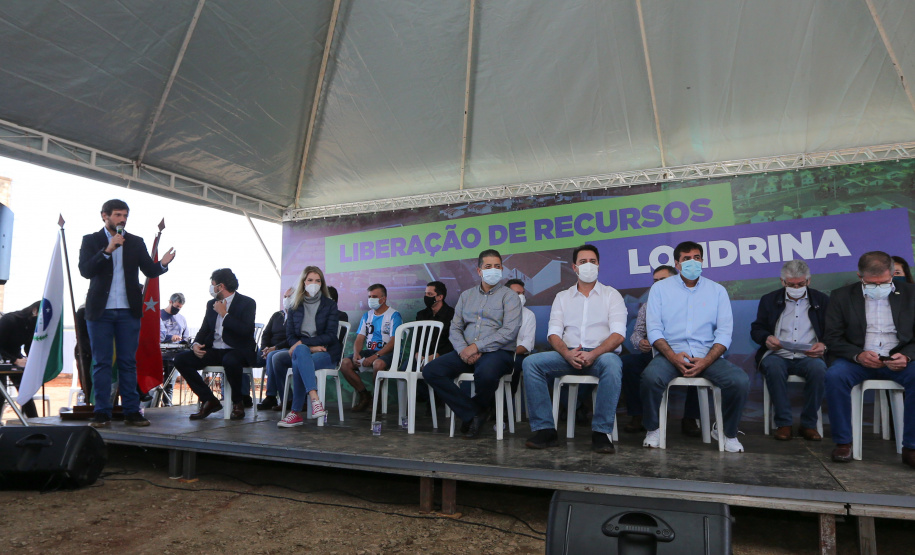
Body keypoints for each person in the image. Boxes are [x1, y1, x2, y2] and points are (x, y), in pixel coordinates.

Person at [641, 241, 749, 453]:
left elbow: (725, 332)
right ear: (677, 263)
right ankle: (653, 429)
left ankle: (727, 432)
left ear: (702, 261)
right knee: (650, 378)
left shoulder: (717, 291)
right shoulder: (660, 289)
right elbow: (654, 330)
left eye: (697, 258)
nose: (693, 262)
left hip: (707, 355)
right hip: (671, 354)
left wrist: (707, 360)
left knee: (739, 381)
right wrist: (672, 357)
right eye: (687, 259)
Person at [78, 199, 176, 428]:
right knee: (101, 362)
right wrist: (108, 249)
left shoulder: (135, 242)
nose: (122, 219)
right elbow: (85, 270)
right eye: (118, 215)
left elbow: (149, 270)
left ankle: (132, 411)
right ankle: (102, 412)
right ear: (105, 216)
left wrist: (162, 264)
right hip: (100, 311)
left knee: (128, 362)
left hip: (128, 311)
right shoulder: (91, 240)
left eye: (125, 216)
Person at [523, 245, 626, 453]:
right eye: (583, 262)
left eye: (592, 261)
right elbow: (553, 334)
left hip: (601, 355)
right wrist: (567, 354)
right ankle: (546, 430)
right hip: (568, 354)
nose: (588, 265)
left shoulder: (611, 295)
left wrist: (594, 353)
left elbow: (618, 335)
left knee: (613, 365)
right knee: (531, 363)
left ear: (599, 265)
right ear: (574, 267)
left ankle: (600, 433)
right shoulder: (562, 297)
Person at [824, 251, 915, 468]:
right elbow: (832, 337)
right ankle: (843, 443)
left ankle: (911, 447)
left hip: (899, 358)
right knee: (834, 376)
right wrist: (858, 355)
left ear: (893, 274)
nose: (878, 288)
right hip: (858, 359)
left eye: (883, 282)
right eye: (871, 284)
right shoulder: (841, 296)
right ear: (859, 276)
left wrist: (908, 355)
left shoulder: (912, 294)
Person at [422, 249, 521, 439]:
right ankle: (474, 412)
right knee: (431, 371)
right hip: (465, 350)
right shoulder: (466, 296)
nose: (494, 270)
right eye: (488, 266)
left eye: (497, 266)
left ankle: (474, 411)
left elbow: (510, 331)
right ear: (479, 271)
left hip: (498, 352)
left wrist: (477, 347)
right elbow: (455, 328)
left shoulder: (510, 297)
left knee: (485, 373)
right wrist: (463, 350)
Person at [750, 260, 829, 441]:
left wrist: (823, 345)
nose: (796, 288)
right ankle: (783, 423)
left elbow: (833, 332)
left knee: (819, 370)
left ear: (809, 281)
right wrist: (766, 338)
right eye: (791, 284)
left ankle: (808, 424)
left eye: (800, 284)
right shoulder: (769, 299)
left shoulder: (822, 300)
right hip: (778, 354)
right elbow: (757, 329)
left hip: (809, 355)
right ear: (782, 281)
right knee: (774, 368)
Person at [621, 266, 702, 436]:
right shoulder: (648, 305)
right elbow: (637, 333)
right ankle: (638, 414)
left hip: (685, 354)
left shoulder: (691, 302)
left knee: (698, 363)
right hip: (653, 355)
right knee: (627, 364)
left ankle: (690, 418)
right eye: (655, 281)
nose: (657, 285)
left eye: (662, 280)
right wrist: (640, 342)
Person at [173, 268, 257, 420]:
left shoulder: (247, 303)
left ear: (221, 286)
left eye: (213, 285)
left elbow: (245, 330)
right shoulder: (211, 303)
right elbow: (204, 329)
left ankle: (238, 402)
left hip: (238, 350)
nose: (211, 288)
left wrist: (224, 314)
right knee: (181, 359)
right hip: (215, 350)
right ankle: (209, 400)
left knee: (230, 360)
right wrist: (196, 344)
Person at [277, 266, 342, 428]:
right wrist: (308, 347)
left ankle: (296, 413)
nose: (314, 283)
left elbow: (331, 336)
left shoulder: (329, 305)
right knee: (301, 354)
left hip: (326, 352)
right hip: (307, 351)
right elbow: (291, 336)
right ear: (303, 282)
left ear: (322, 284)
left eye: (318, 280)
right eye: (310, 280)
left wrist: (305, 345)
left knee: (299, 358)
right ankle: (314, 398)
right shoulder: (294, 306)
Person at [339, 284, 402, 412]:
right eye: (369, 297)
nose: (371, 299)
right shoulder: (367, 316)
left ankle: (376, 400)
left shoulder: (394, 315)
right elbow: (360, 338)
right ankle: (364, 395)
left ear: (383, 299)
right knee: (345, 363)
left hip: (389, 353)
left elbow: (394, 342)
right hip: (369, 352)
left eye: (374, 297)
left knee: (378, 364)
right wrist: (356, 353)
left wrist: (375, 356)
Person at [0, 301, 41, 418]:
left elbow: (29, 345)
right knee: (1, 393)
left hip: (14, 356)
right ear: (34, 310)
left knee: (25, 392)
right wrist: (15, 360)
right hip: (3, 357)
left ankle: (34, 422)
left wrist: (31, 360)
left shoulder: (31, 326)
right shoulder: (10, 320)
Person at [256, 287, 293, 411]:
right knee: (244, 356)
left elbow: (292, 338)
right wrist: (264, 348)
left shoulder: (297, 315)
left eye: (290, 297)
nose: (286, 299)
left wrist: (274, 348)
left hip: (285, 349)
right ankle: (242, 398)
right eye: (285, 296)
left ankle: (271, 396)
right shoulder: (277, 315)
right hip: (269, 349)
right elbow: (266, 334)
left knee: (273, 357)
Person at [505, 279, 536, 397]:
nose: (521, 296)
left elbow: (528, 343)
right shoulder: (496, 312)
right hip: (496, 353)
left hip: (517, 354)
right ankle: (489, 406)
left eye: (523, 293)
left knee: (515, 365)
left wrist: (510, 352)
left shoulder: (529, 315)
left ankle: (505, 407)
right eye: (517, 293)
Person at [158, 292, 190, 406]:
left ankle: (167, 407)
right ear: (170, 302)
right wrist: (170, 337)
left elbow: (186, 337)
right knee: (154, 385)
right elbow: (153, 335)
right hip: (159, 356)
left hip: (174, 357)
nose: (178, 309)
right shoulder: (158, 315)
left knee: (169, 385)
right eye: (176, 307)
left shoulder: (182, 319)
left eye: (180, 308)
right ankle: (150, 407)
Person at [416, 281, 455, 360]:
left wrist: (438, 355)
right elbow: (417, 339)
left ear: (440, 297)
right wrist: (417, 354)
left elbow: (454, 340)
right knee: (405, 367)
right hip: (423, 355)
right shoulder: (421, 315)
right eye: (425, 294)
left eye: (430, 294)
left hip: (445, 355)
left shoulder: (452, 315)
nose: (426, 297)